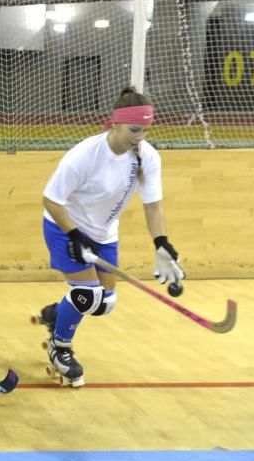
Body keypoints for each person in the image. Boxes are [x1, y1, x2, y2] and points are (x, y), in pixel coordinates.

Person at [38, 86, 184, 387]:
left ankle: (58, 313)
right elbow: (51, 199)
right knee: (87, 293)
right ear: (115, 122)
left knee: (104, 303)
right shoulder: (85, 155)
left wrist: (161, 243)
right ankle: (59, 348)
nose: (139, 137)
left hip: (104, 234)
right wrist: (74, 235)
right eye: (134, 129)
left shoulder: (147, 157)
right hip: (64, 225)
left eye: (144, 130)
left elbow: (154, 205)